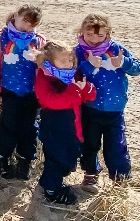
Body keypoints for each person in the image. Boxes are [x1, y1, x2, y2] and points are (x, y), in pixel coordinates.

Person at [75, 13, 140, 189]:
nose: (94, 40)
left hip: (115, 108)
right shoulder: (79, 51)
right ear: (82, 32)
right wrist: (89, 64)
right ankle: (90, 173)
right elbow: (74, 76)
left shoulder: (116, 49)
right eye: (89, 34)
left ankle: (120, 178)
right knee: (90, 143)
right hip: (90, 107)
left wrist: (123, 63)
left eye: (100, 35)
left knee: (116, 145)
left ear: (108, 33)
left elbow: (137, 69)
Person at [35, 42, 96, 207]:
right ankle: (51, 190)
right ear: (49, 61)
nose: (69, 64)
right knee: (56, 159)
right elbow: (50, 101)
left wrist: (86, 88)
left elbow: (89, 95)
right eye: (63, 61)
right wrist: (75, 92)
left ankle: (55, 181)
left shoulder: (73, 75)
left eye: (70, 60)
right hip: (54, 127)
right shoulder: (45, 77)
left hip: (72, 126)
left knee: (69, 157)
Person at [0, 4, 47, 181]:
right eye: (24, 21)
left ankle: (25, 159)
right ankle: (1, 157)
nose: (26, 27)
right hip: (9, 90)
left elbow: (45, 67)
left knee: (29, 128)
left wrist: (39, 59)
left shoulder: (38, 40)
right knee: (8, 125)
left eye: (31, 25)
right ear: (16, 15)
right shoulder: (2, 37)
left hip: (31, 92)